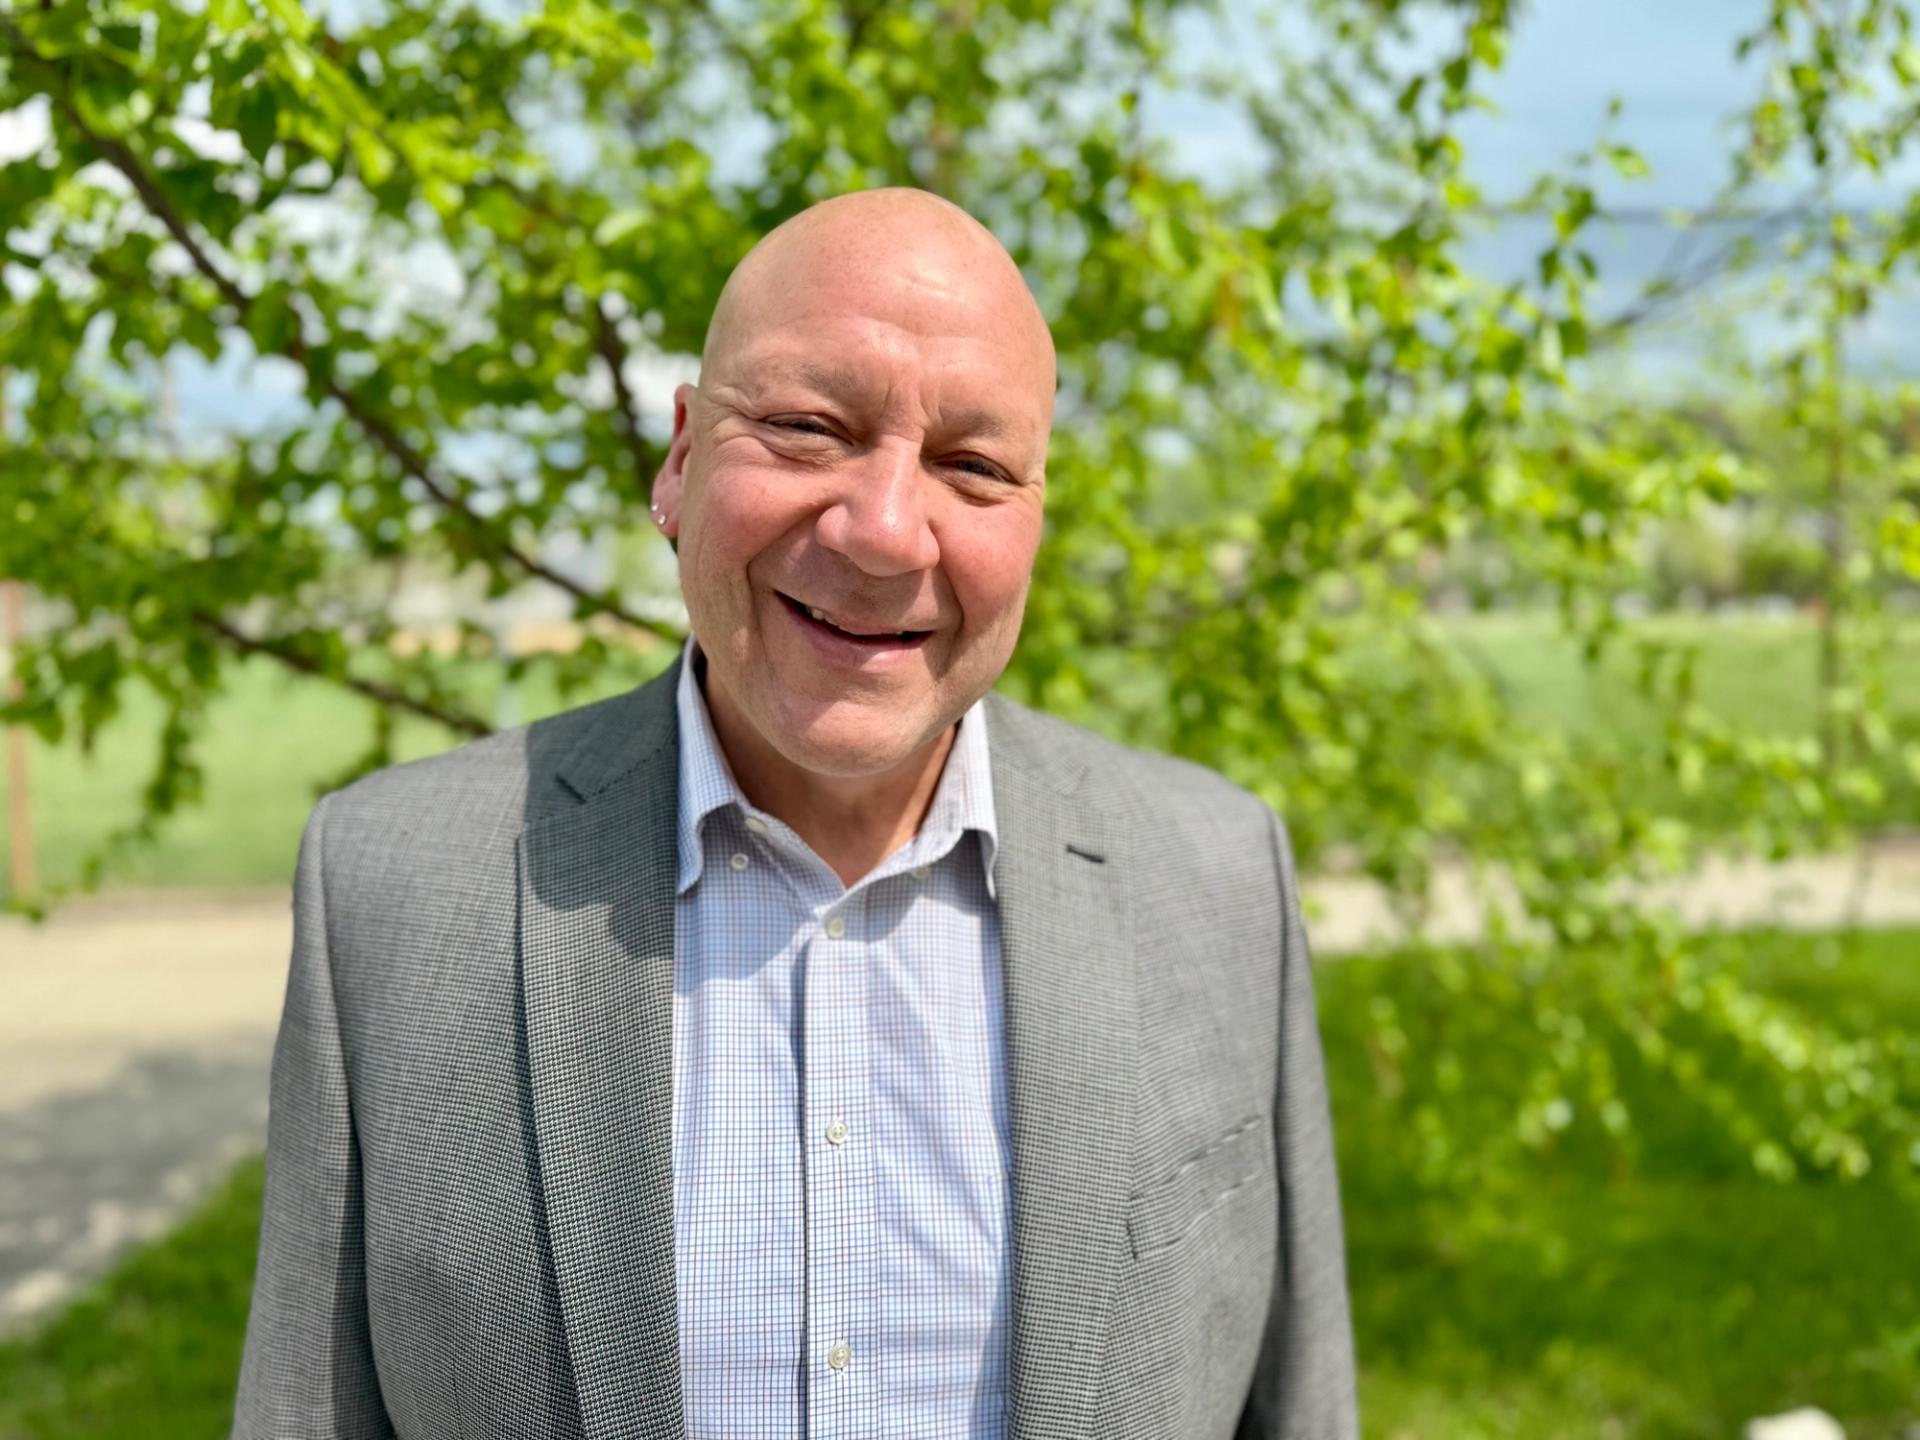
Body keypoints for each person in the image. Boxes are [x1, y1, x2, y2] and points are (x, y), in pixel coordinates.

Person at [234, 187, 1357, 1440]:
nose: (883, 534)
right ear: (679, 459)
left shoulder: (1217, 875)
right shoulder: (390, 887)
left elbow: (1298, 1402)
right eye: (811, 427)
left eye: (973, 466)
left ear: (1037, 519)